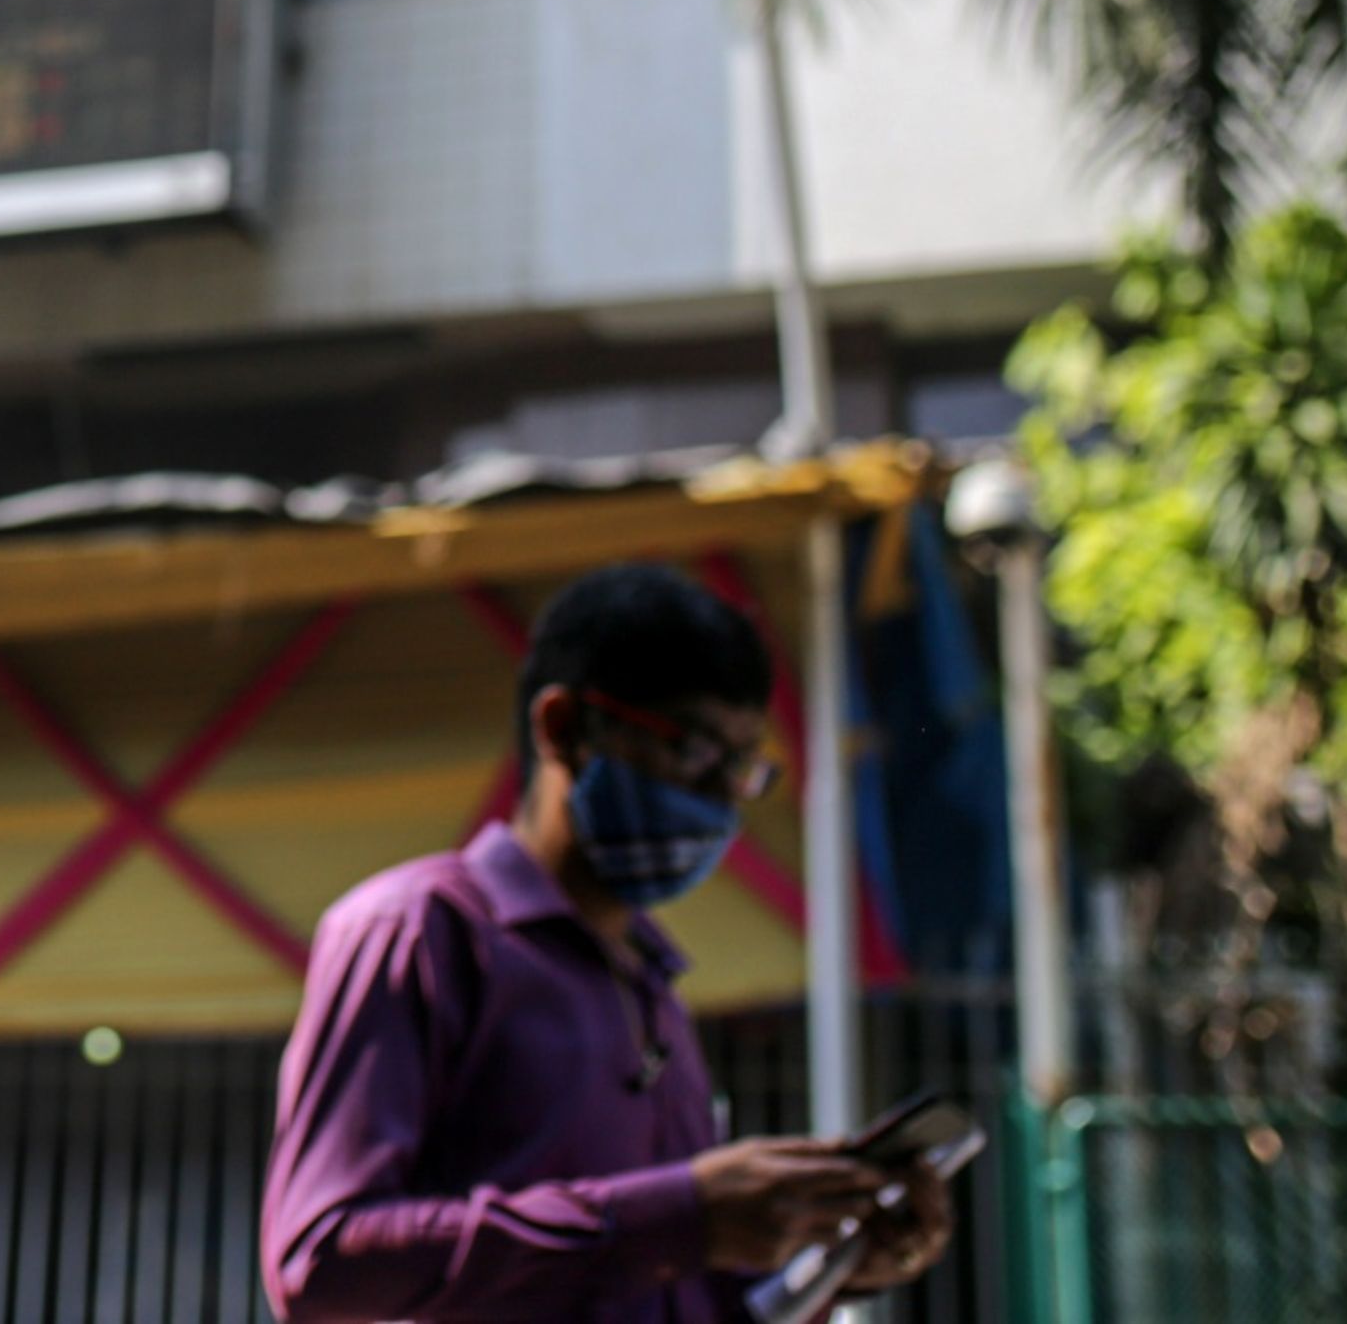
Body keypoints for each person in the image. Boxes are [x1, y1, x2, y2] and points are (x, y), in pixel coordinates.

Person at [258, 562, 952, 1321]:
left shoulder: (650, 979)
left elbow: (664, 1283)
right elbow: (320, 1258)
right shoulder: (418, 928)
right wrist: (679, 1214)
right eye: (694, 750)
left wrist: (833, 1261)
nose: (721, 799)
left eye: (742, 767)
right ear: (564, 727)